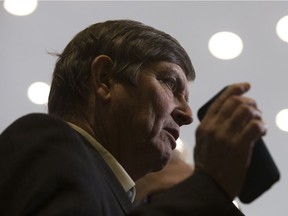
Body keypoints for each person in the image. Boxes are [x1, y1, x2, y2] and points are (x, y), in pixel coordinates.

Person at [0, 19, 266, 215]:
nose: (187, 115)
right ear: (105, 80)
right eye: (171, 84)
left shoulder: (118, 197)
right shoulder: (48, 140)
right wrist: (208, 186)